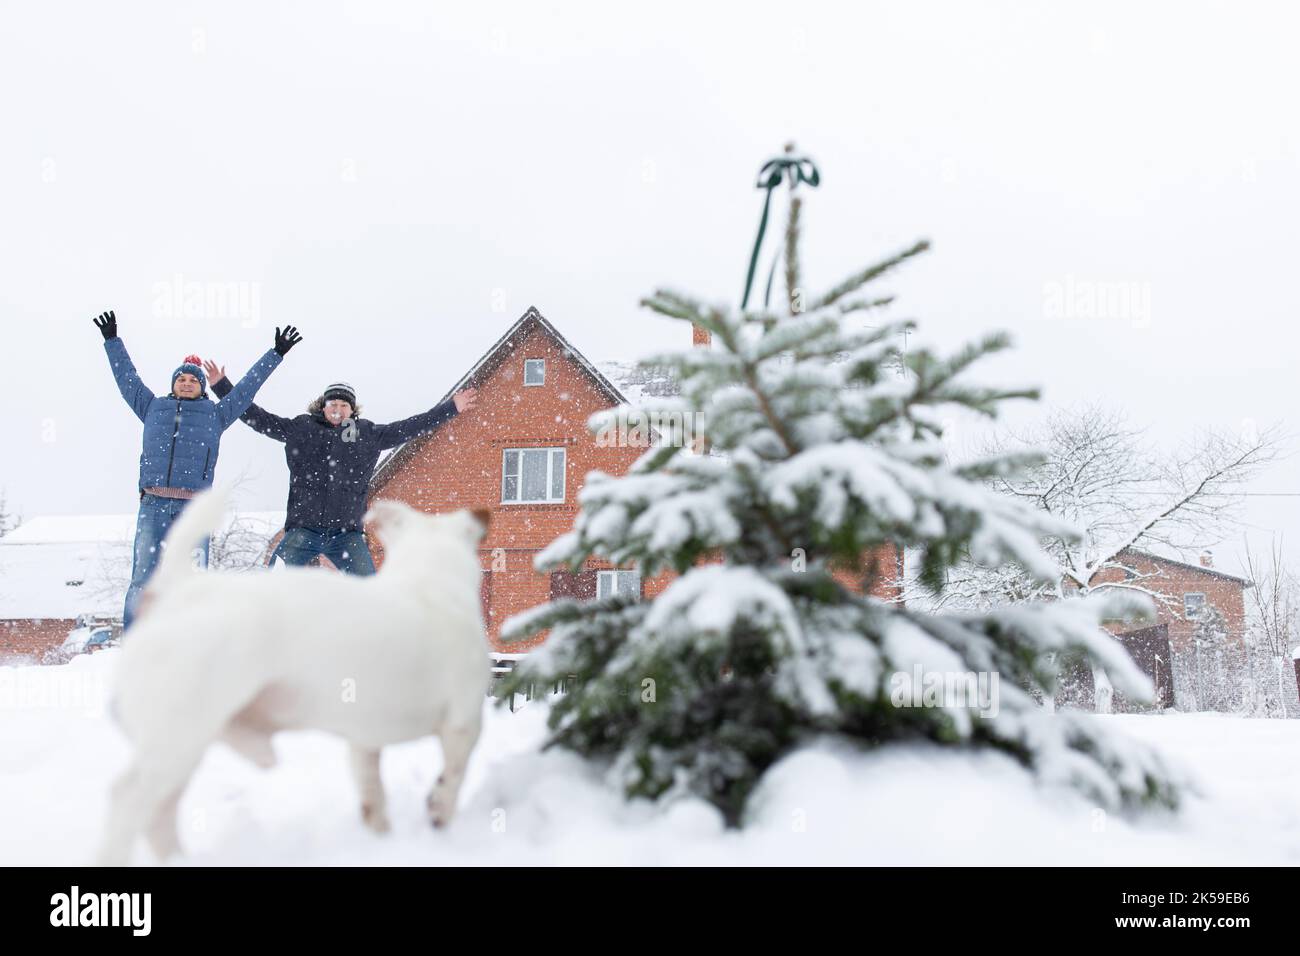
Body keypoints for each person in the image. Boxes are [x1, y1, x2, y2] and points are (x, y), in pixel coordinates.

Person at [94, 310, 301, 626]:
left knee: (194, 581)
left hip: (194, 508)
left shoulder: (215, 415)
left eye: (193, 380)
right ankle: (135, 641)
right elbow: (127, 379)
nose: (187, 382)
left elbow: (246, 389)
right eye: (182, 379)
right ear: (173, 384)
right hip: (154, 505)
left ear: (202, 387)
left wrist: (276, 353)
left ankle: (193, 640)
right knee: (143, 578)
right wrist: (112, 340)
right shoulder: (152, 407)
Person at [206, 363, 478, 574]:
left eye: (343, 405)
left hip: (346, 535)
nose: (337, 409)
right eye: (332, 404)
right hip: (304, 531)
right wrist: (222, 387)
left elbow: (410, 427)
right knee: (275, 581)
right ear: (323, 407)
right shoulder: (302, 429)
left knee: (371, 591)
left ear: (352, 410)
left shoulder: (368, 434)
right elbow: (257, 417)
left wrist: (451, 408)